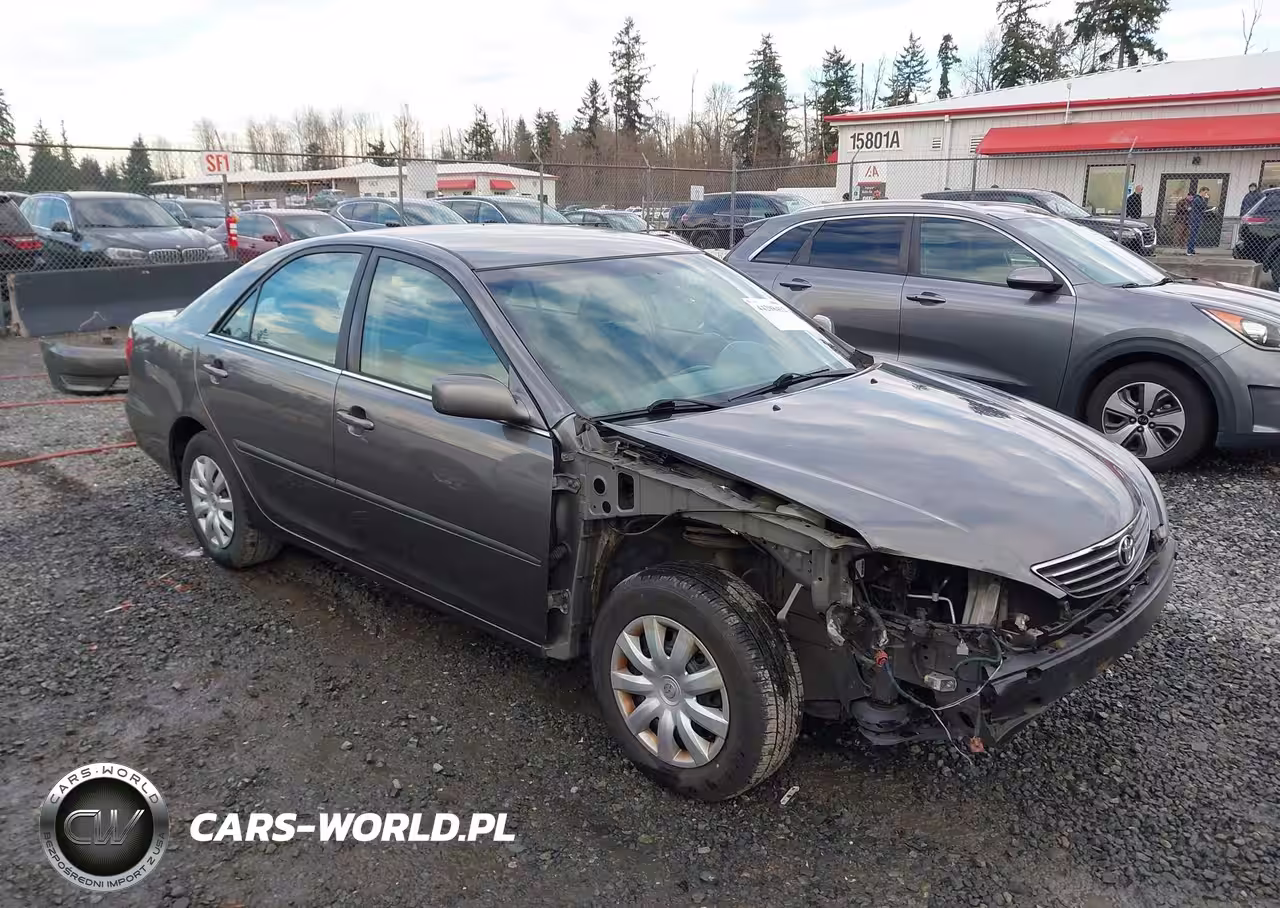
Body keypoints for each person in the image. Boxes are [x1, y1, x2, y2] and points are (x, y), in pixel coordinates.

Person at [1187, 186, 1212, 255]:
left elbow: (1203, 207)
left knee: (1194, 235)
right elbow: (1202, 206)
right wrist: (1206, 199)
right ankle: (1189, 250)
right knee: (1193, 234)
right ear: (1202, 191)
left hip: (1197, 218)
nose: (1206, 194)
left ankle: (1191, 249)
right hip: (1195, 218)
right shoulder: (1197, 198)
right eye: (1205, 192)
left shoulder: (1199, 199)